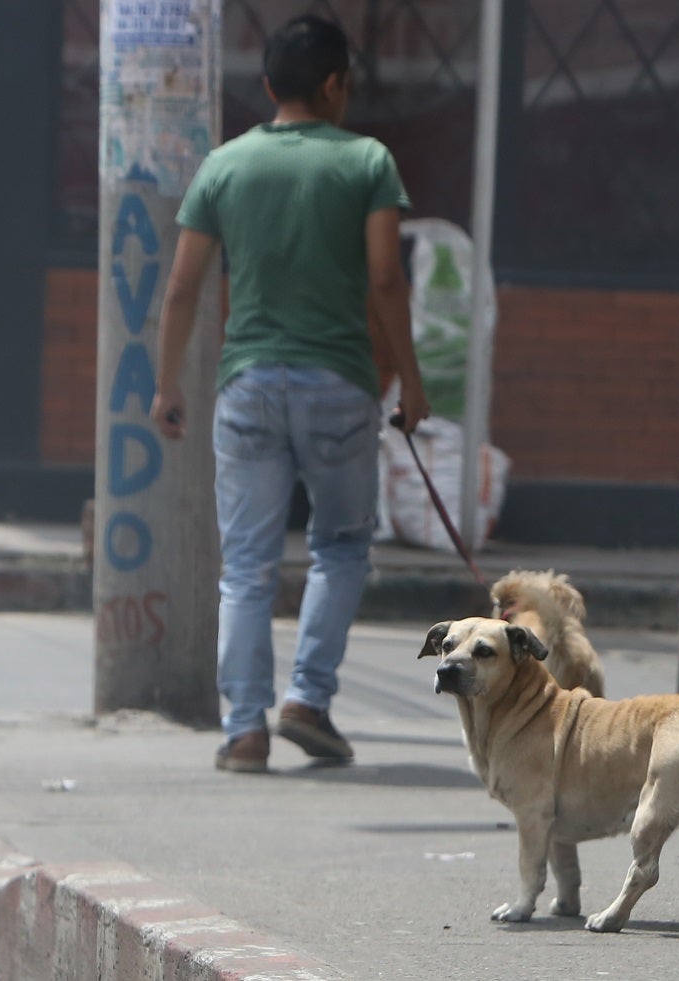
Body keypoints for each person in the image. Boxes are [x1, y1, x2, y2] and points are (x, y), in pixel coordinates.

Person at [150, 14, 430, 773]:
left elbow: (182, 288)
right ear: (335, 85)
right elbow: (385, 278)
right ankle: (307, 697)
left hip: (247, 387)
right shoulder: (367, 161)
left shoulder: (225, 165)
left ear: (270, 85)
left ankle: (245, 729)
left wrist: (168, 383)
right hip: (339, 385)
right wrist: (409, 379)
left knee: (246, 564)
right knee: (340, 546)